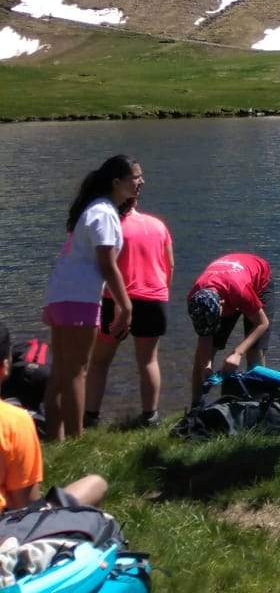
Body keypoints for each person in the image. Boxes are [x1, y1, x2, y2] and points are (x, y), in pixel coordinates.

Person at [41, 156, 138, 440]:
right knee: (77, 372)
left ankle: (54, 438)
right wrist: (125, 305)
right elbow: (107, 263)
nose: (140, 182)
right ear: (116, 182)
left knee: (61, 370)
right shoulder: (105, 213)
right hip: (79, 298)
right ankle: (76, 440)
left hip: (61, 296)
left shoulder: (92, 208)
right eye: (135, 177)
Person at [84, 183, 173, 429]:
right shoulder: (158, 225)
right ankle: (150, 416)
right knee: (148, 361)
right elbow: (170, 264)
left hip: (116, 299)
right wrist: (162, 291)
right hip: (155, 298)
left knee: (100, 361)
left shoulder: (112, 226)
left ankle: (90, 416)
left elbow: (104, 267)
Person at [1, 319, 107, 512]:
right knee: (95, 484)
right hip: (8, 531)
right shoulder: (14, 421)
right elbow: (24, 508)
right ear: (6, 365)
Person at [185, 253, 273, 406]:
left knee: (254, 351)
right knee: (202, 358)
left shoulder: (240, 290)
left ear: (222, 304)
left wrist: (237, 353)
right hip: (226, 287)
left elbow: (262, 323)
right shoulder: (195, 297)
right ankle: (196, 407)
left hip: (256, 282)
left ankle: (257, 405)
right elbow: (204, 336)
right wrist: (206, 365)